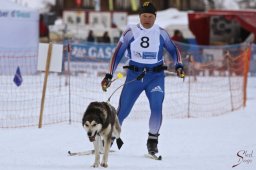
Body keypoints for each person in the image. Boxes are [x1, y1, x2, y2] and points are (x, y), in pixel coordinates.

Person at [101, 1, 184, 155]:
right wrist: (109, 75)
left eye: (150, 16)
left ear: (155, 17)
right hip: (134, 77)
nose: (147, 19)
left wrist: (179, 65)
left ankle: (152, 140)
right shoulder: (130, 32)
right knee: (123, 111)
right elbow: (117, 54)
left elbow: (174, 50)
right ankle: (110, 138)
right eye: (144, 16)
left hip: (156, 77)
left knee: (157, 107)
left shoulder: (161, 32)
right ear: (139, 16)